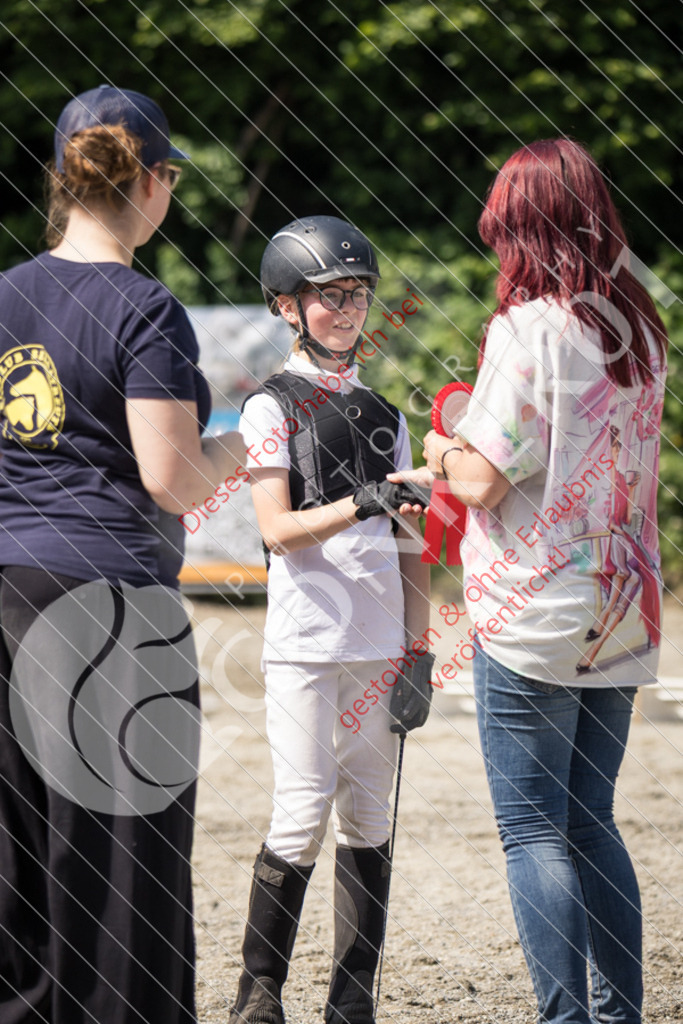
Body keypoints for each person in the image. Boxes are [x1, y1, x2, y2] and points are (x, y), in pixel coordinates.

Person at [391, 139, 667, 1023]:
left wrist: (438, 446)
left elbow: (479, 479)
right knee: (591, 819)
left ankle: (564, 1017)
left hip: (534, 604)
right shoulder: (641, 329)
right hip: (622, 602)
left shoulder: (529, 328)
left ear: (522, 231)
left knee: (531, 828)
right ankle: (618, 1015)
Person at [0, 85, 245, 1024]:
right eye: (170, 175)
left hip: (9, 587)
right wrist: (248, 444)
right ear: (150, 182)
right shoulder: (144, 306)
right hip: (109, 606)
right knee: (124, 870)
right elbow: (172, 478)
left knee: (22, 857)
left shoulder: (6, 293)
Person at [232, 215, 432, 1024]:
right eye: (328, 296)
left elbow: (413, 546)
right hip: (306, 647)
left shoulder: (388, 415)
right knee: (300, 812)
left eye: (357, 295)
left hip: (379, 646)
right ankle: (259, 992)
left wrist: (419, 648)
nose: (347, 309)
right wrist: (361, 502)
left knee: (370, 818)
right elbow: (277, 531)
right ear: (287, 306)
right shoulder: (267, 407)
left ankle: (352, 999)